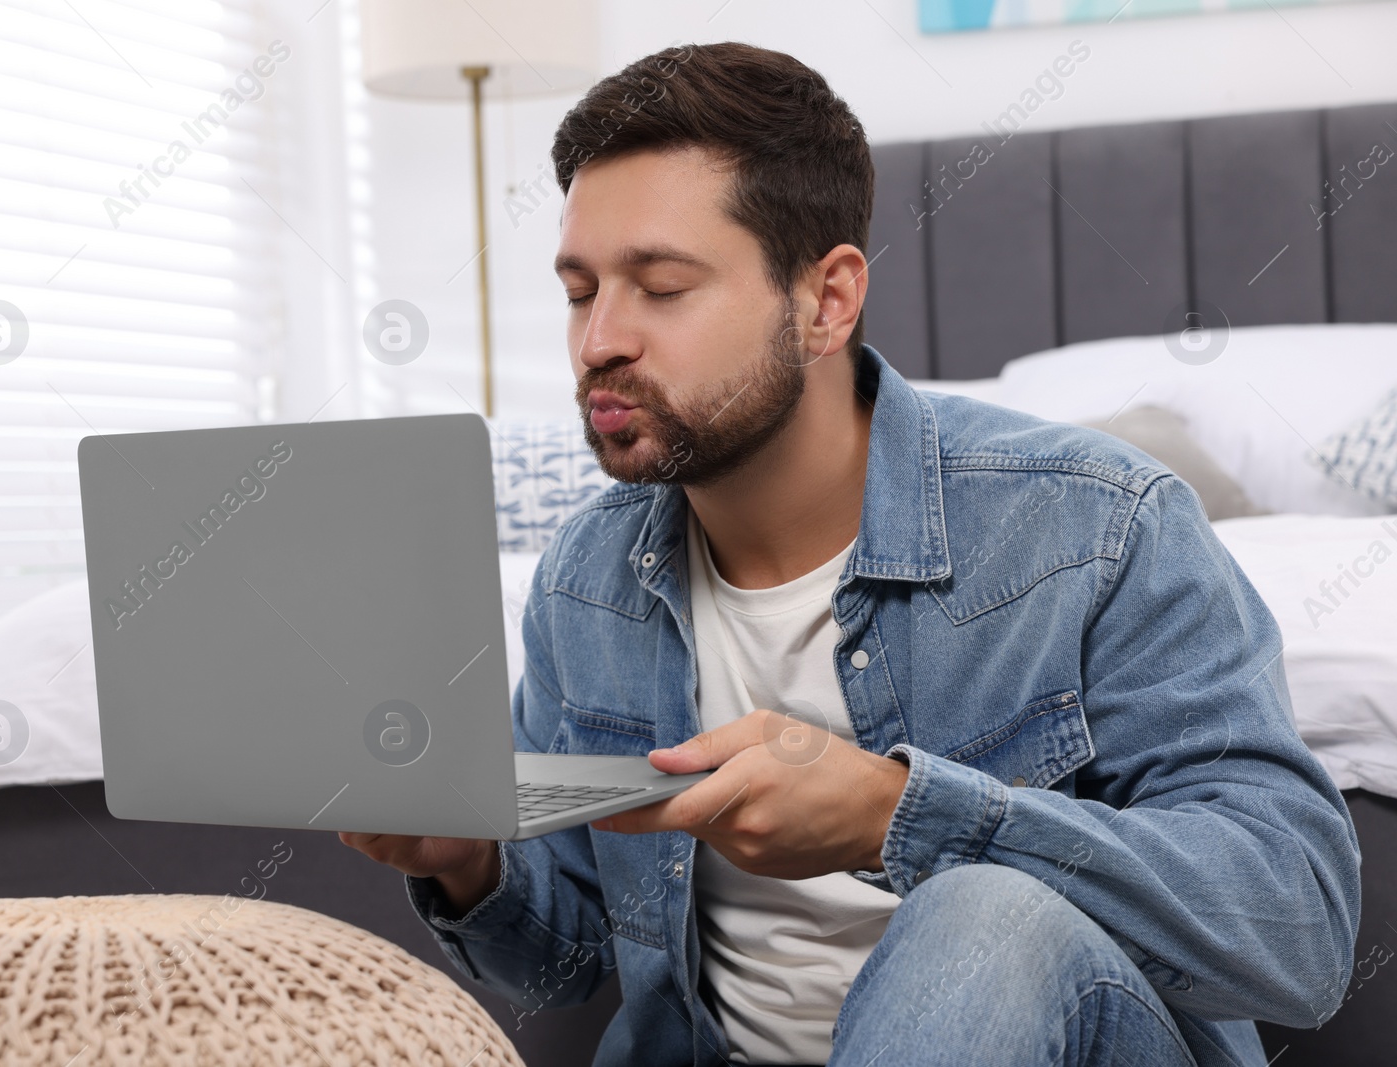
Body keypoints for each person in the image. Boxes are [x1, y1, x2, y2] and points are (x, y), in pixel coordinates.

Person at [342, 41, 1360, 1067]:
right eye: (578, 290)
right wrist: (466, 862)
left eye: (660, 286)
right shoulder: (584, 580)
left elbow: (1298, 935)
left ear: (825, 301)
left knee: (984, 916)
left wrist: (897, 814)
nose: (599, 338)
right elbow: (565, 967)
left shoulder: (1099, 525)